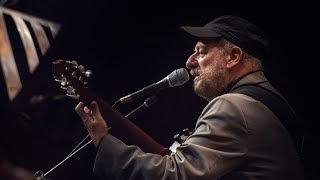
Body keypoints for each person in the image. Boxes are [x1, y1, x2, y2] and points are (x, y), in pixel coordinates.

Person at [75, 15, 304, 179]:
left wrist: (103, 141)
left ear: (233, 57)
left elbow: (173, 175)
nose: (189, 62)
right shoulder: (268, 106)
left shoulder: (233, 106)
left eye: (201, 52)